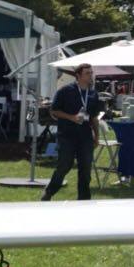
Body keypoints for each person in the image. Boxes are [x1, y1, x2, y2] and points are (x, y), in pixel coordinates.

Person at [42, 63, 100, 201]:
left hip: (85, 136)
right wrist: (72, 117)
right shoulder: (65, 91)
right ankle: (49, 192)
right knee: (65, 165)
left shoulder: (93, 94)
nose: (90, 75)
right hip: (67, 135)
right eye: (87, 73)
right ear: (78, 75)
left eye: (91, 72)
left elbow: (94, 117)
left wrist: (96, 136)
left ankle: (84, 199)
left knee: (85, 168)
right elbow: (54, 111)